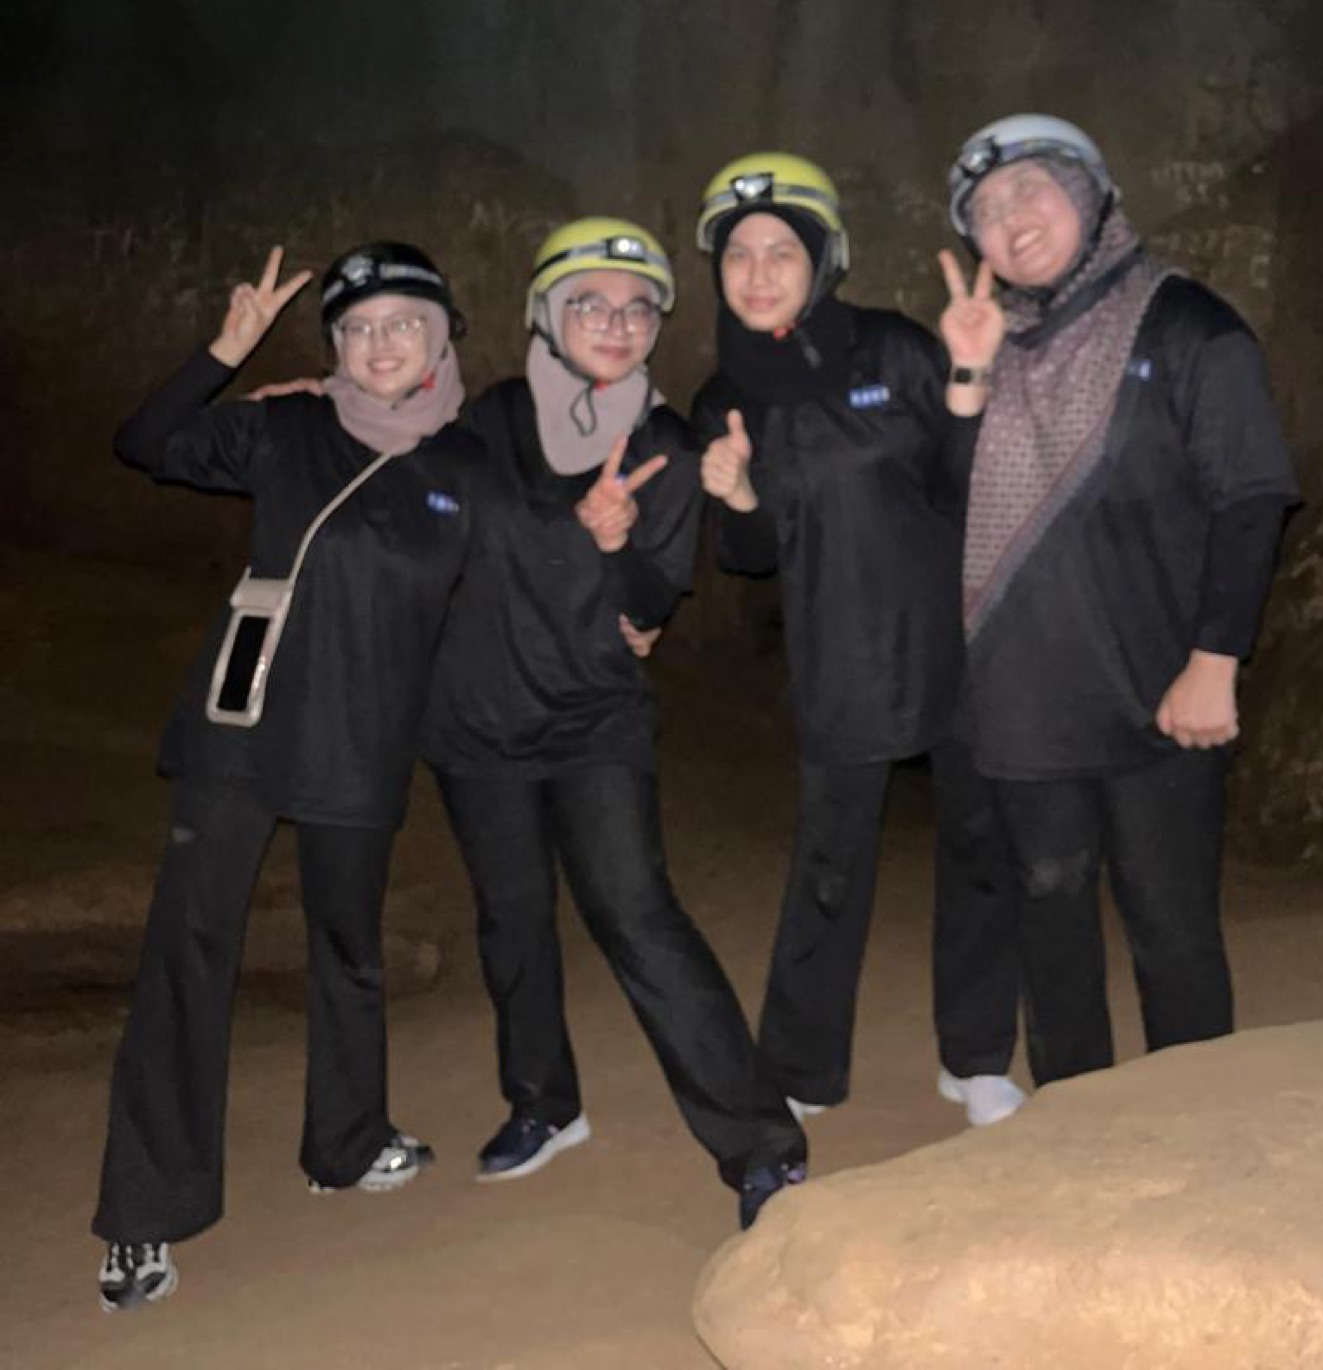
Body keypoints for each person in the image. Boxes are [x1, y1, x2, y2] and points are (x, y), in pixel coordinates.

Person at [93, 242, 481, 1312]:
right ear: (336, 349)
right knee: (188, 957)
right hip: (241, 732)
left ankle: (346, 1143)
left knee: (348, 952)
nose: (380, 343)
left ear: (442, 334)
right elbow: (148, 442)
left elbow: (515, 589)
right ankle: (142, 1215)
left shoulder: (469, 465)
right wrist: (224, 349)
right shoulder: (289, 425)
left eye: (403, 321)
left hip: (361, 742)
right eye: (357, 329)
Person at [422, 217, 807, 1229]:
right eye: (589, 303)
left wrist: (614, 543)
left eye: (637, 308)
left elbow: (648, 604)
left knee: (638, 917)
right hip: (474, 720)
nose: (616, 323)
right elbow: (422, 525)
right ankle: (543, 1106)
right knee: (510, 917)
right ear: (547, 315)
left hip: (592, 719)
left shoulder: (666, 446)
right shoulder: (485, 421)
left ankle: (760, 1147)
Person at [942, 114, 1298, 1085]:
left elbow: (1251, 494)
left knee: (1168, 923)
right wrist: (967, 378)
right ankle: (1072, 1123)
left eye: (1028, 191)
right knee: (1047, 915)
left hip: (1156, 691)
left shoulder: (1185, 325)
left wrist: (1214, 659)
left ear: (1089, 192)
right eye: (981, 210)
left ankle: (1188, 1127)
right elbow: (953, 509)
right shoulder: (992, 347)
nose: (1007, 221)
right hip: (1024, 699)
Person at [692, 154, 1023, 1129]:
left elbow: (970, 489)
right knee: (829, 862)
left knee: (977, 845)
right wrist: (740, 496)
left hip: (958, 637)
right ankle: (799, 1067)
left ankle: (975, 1055)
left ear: (822, 257)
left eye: (779, 251)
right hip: (838, 647)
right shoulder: (724, 396)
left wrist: (965, 381)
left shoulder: (891, 350)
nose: (756, 272)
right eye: (738, 255)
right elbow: (749, 555)